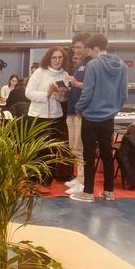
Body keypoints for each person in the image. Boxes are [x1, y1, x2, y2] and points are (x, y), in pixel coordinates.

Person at [70, 33, 128, 203]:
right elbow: (124, 94)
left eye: (89, 51)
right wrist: (114, 110)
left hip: (90, 117)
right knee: (107, 155)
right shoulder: (122, 65)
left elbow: (87, 91)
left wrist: (79, 108)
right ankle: (109, 192)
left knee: (89, 156)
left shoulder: (93, 65)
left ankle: (88, 193)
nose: (89, 54)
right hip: (108, 118)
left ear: (95, 48)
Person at [25, 46, 70, 186]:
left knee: (51, 148)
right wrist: (48, 93)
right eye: (54, 57)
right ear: (49, 59)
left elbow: (63, 99)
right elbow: (28, 93)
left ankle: (46, 177)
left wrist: (61, 94)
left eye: (60, 57)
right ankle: (32, 176)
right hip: (37, 115)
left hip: (56, 116)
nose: (57, 60)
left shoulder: (64, 75)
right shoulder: (39, 72)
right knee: (36, 148)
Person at [63, 32, 92, 196]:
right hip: (71, 110)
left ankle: (82, 181)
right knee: (74, 147)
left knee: (80, 147)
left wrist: (76, 83)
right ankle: (78, 176)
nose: (76, 50)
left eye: (79, 47)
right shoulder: (80, 63)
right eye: (75, 48)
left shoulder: (91, 64)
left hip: (81, 112)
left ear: (87, 47)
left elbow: (90, 87)